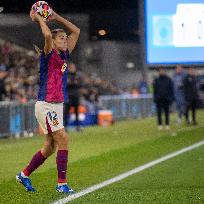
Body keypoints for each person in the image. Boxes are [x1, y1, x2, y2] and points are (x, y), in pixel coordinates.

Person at [16, 10, 80, 193]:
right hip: (46, 104)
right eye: (61, 38)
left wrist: (57, 17)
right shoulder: (48, 53)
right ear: (53, 41)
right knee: (63, 139)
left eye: (64, 38)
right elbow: (46, 34)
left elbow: (76, 31)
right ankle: (62, 184)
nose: (65, 40)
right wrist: (38, 18)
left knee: (50, 146)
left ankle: (24, 174)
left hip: (57, 104)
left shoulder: (65, 55)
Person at [64, 63, 81, 132]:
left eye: (73, 67)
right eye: (71, 68)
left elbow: (80, 84)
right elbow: (66, 84)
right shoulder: (66, 75)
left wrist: (72, 83)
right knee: (66, 112)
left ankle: (78, 127)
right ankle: (65, 127)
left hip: (76, 96)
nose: (73, 69)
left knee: (76, 112)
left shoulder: (77, 75)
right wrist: (73, 83)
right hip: (68, 96)